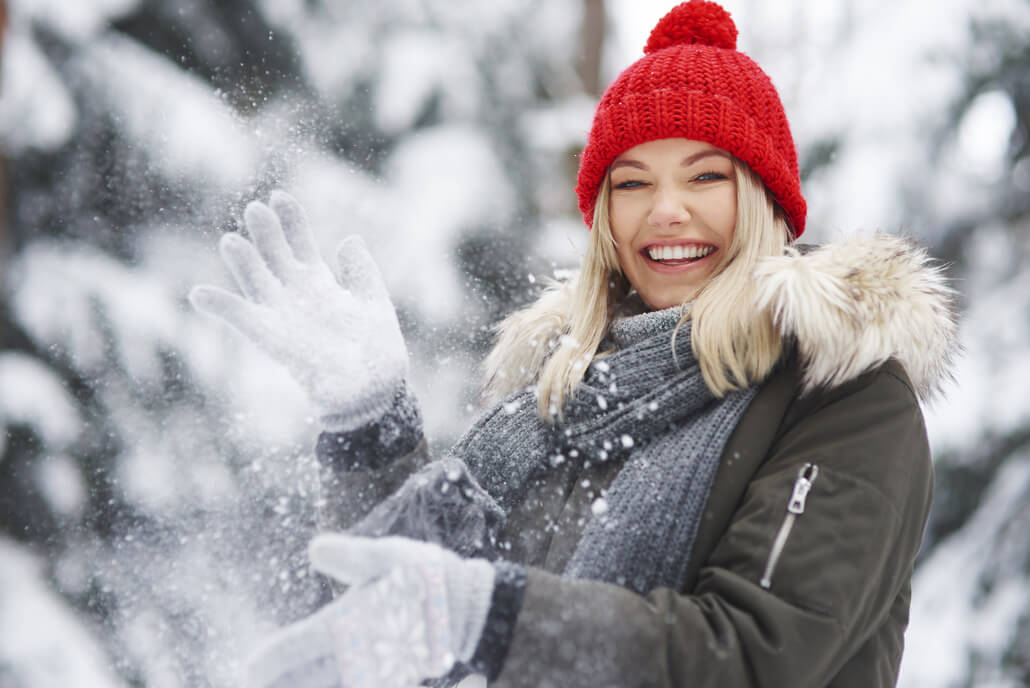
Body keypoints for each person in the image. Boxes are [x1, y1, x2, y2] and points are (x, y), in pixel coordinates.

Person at [190, 1, 957, 686]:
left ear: (760, 200)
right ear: (602, 219)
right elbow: (388, 618)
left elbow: (754, 655)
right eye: (632, 184)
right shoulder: (557, 398)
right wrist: (369, 430)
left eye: (705, 178)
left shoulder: (842, 394)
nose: (667, 212)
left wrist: (488, 619)